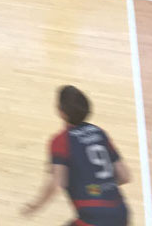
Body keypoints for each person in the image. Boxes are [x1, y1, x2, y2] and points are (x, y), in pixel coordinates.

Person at [21, 85, 130, 225]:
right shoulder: (100, 133)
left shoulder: (61, 141)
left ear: (61, 112)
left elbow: (57, 184)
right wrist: (102, 186)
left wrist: (35, 205)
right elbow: (125, 176)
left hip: (93, 217)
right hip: (121, 213)